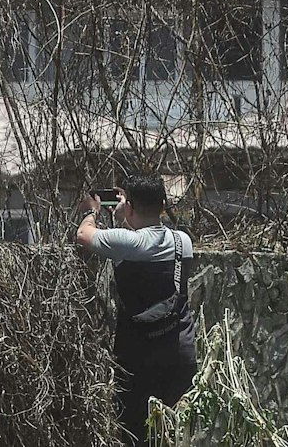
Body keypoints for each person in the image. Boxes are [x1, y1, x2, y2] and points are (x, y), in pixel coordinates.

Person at [76, 174, 197, 446]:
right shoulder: (183, 241)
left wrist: (92, 212)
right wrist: (127, 214)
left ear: (129, 206)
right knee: (175, 432)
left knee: (135, 432)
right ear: (163, 205)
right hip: (179, 352)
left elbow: (85, 235)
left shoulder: (125, 243)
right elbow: (145, 241)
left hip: (139, 357)